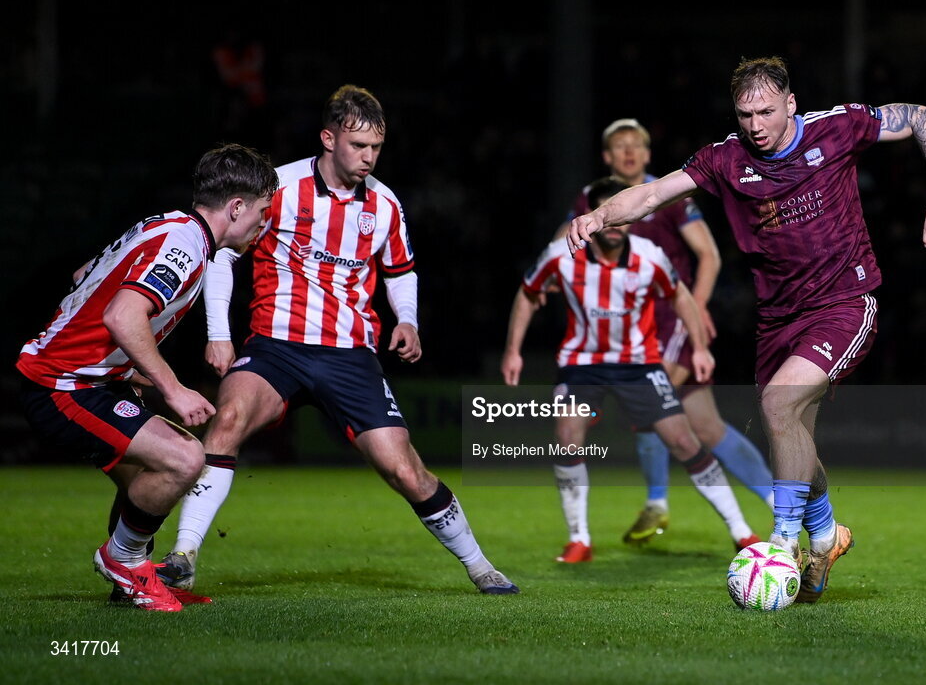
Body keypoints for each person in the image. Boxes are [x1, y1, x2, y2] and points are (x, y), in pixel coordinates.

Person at [566, 56, 926, 602]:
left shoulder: (836, 127)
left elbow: (922, 116)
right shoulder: (726, 158)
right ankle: (825, 536)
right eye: (745, 113)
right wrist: (600, 216)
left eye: (766, 111)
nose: (755, 124)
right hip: (778, 318)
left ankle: (781, 540)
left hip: (844, 302)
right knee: (792, 435)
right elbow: (654, 193)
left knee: (778, 406)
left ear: (790, 103)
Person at [157, 85, 518, 595]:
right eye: (359, 146)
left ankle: (481, 566)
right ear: (328, 138)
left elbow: (401, 271)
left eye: (376, 148)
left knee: (405, 470)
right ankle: (183, 555)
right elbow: (222, 255)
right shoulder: (279, 188)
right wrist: (219, 334)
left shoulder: (386, 204)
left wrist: (407, 320)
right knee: (228, 421)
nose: (369, 158)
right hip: (276, 347)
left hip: (351, 355)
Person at [16, 143, 279, 611]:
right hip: (63, 385)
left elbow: (84, 275)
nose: (264, 223)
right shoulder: (186, 246)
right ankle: (122, 561)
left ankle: (131, 580)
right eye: (262, 211)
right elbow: (123, 315)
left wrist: (120, 363)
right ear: (236, 206)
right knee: (183, 459)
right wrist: (172, 388)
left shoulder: (165, 225)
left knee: (148, 477)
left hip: (87, 377)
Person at [503, 176, 759, 563]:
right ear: (592, 217)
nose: (617, 223)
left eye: (621, 214)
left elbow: (682, 298)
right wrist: (513, 351)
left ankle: (742, 533)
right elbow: (526, 293)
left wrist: (701, 349)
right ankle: (579, 540)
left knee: (684, 441)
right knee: (567, 436)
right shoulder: (560, 254)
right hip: (582, 364)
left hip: (639, 364)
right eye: (607, 215)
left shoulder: (650, 256)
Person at [561, 119, 774, 547]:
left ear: (646, 153)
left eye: (635, 145)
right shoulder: (593, 199)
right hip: (627, 330)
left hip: (670, 323)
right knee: (707, 427)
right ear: (607, 156)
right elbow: (563, 247)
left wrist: (695, 308)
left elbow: (709, 254)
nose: (628, 152)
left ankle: (660, 503)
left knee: (652, 408)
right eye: (619, 146)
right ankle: (777, 502)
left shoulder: (668, 194)